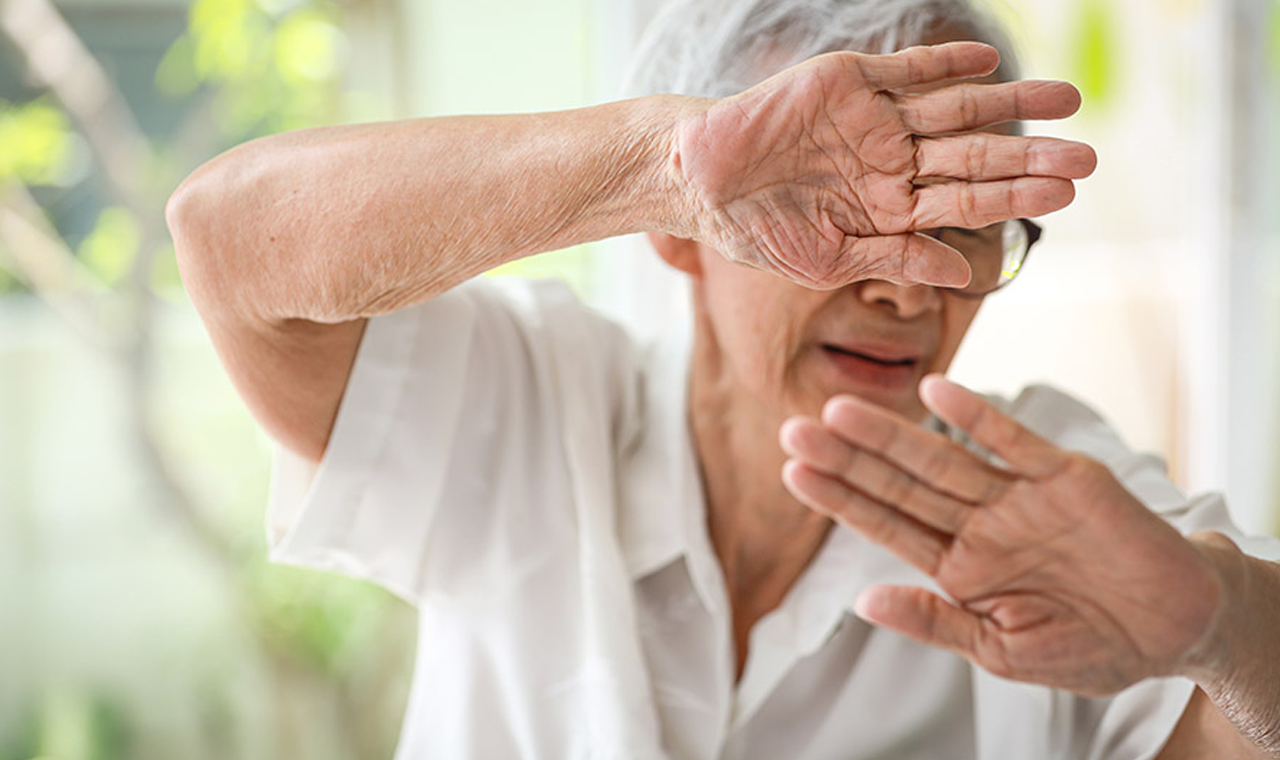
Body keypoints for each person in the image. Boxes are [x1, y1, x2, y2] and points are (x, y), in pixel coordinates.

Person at [166, 0, 1280, 757]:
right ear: (681, 234)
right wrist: (651, 163)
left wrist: (1220, 625)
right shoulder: (527, 402)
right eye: (838, 215)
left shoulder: (1046, 503)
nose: (908, 291)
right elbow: (224, 238)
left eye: (961, 226)